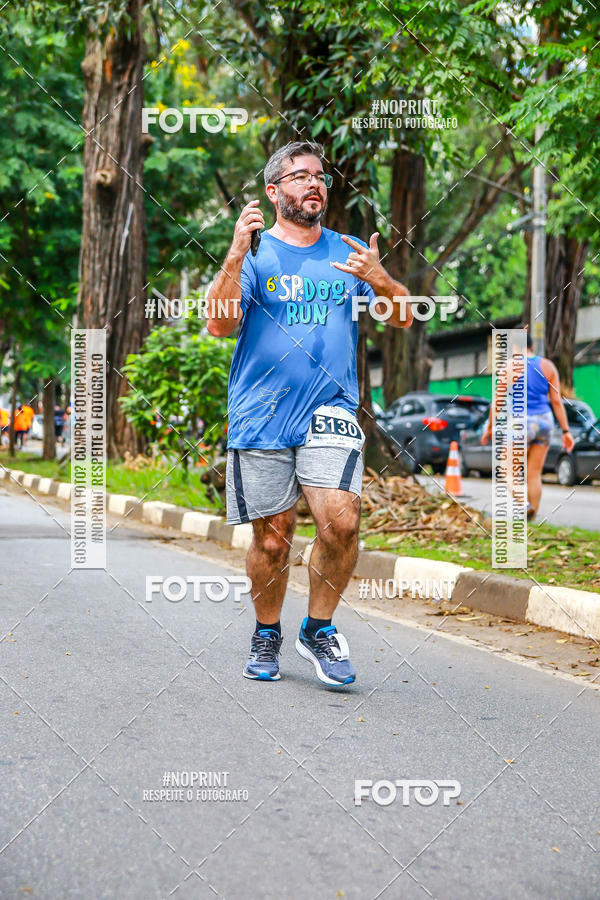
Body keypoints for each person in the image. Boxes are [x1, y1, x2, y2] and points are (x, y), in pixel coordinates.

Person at [207, 141, 412, 686]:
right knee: (272, 539)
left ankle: (318, 628)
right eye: (299, 176)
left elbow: (404, 318)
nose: (314, 184)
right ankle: (266, 631)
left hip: (331, 411)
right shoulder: (253, 255)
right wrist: (233, 254)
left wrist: (380, 279)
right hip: (262, 413)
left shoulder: (348, 251)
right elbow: (220, 324)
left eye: (320, 176)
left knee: (341, 522)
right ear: (274, 191)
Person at [482, 329, 575, 520]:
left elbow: (497, 402)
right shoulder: (548, 366)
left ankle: (523, 504)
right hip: (545, 421)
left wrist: (490, 427)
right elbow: (557, 402)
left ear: (514, 347)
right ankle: (531, 517)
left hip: (521, 422)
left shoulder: (509, 366)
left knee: (506, 470)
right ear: (531, 345)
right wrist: (566, 431)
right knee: (534, 475)